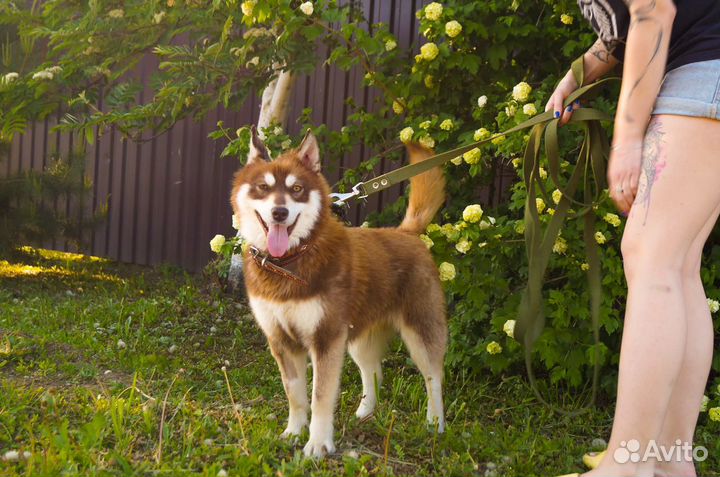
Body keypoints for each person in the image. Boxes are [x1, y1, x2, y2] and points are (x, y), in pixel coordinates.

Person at [546, 1, 720, 476]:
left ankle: (627, 466)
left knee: (653, 256)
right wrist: (576, 74)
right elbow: (627, 25)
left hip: (704, 74)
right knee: (675, 266)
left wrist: (627, 137)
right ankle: (668, 464)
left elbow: (653, 11)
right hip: (706, 73)